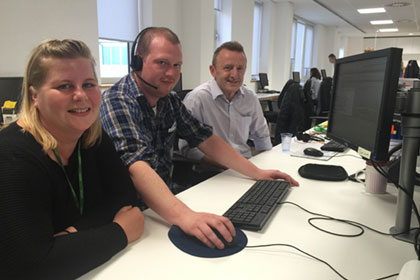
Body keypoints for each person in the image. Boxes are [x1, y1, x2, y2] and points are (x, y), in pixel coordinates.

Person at [100, 27, 299, 249]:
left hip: (165, 201)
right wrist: (186, 217)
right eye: (162, 63)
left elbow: (207, 140)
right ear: (137, 62)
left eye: (177, 65)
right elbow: (136, 166)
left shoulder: (169, 100)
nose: (171, 73)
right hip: (129, 212)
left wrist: (258, 173)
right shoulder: (118, 100)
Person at [0, 39, 144, 279]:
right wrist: (120, 231)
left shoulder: (91, 137)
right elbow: (31, 267)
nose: (81, 95)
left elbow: (125, 198)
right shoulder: (12, 158)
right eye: (65, 86)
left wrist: (72, 234)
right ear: (34, 95)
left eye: (88, 84)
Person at [179, 41, 272, 161]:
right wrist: (225, 163)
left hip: (245, 164)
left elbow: (262, 137)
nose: (235, 75)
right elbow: (187, 148)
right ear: (213, 70)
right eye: (228, 68)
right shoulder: (197, 99)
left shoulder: (250, 98)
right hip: (212, 170)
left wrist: (266, 166)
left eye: (240, 69)